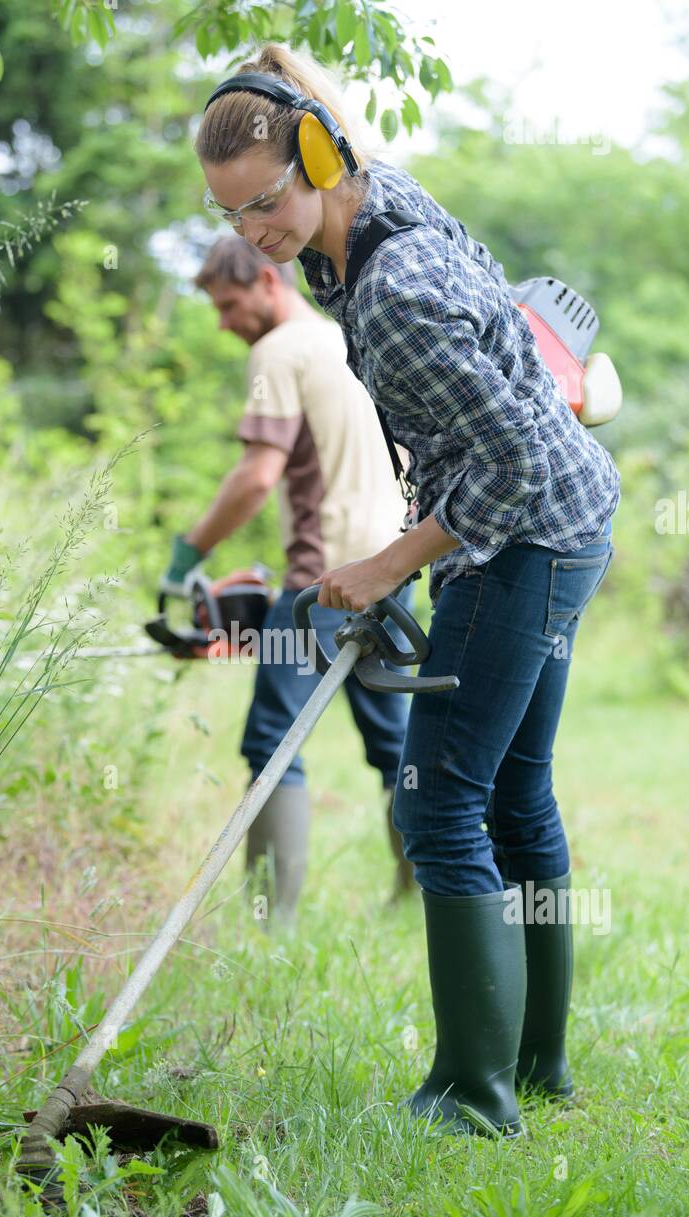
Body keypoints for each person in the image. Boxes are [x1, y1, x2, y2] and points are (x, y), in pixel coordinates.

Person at [193, 43, 620, 1137]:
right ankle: (536, 1070)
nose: (256, 235)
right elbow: (503, 424)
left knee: (440, 802)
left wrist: (391, 560)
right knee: (518, 798)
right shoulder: (370, 207)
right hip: (572, 521)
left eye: (269, 204)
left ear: (319, 159)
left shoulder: (388, 296)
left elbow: (517, 460)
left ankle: (473, 1098)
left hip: (526, 537)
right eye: (234, 216)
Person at [161, 234, 419, 926]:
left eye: (229, 304)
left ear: (269, 286)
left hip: (323, 585)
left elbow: (255, 477)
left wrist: (188, 551)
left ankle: (268, 920)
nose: (224, 322)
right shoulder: (347, 338)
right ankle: (417, 895)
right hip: (395, 570)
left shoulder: (277, 352)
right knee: (395, 741)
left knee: (273, 739)